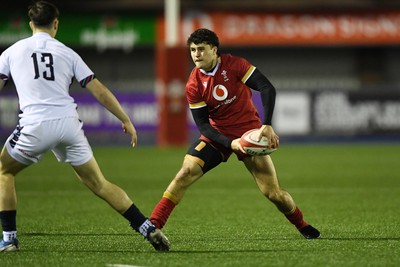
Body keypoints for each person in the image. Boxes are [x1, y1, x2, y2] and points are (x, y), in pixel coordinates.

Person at [0, 1, 170, 252]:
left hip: (35, 124)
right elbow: (99, 91)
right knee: (99, 183)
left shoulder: (12, 52)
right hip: (69, 124)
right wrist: (125, 119)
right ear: (55, 24)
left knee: (4, 171)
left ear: (30, 24)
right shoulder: (68, 53)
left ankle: (9, 239)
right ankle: (147, 227)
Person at [150, 28, 320, 240]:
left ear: (214, 50)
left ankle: (302, 225)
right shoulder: (193, 84)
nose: (196, 55)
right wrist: (230, 143)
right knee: (185, 172)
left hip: (249, 133)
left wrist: (266, 124)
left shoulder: (234, 64)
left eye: (201, 50)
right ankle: (154, 225)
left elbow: (267, 87)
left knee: (273, 194)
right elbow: (203, 125)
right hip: (218, 135)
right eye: (193, 50)